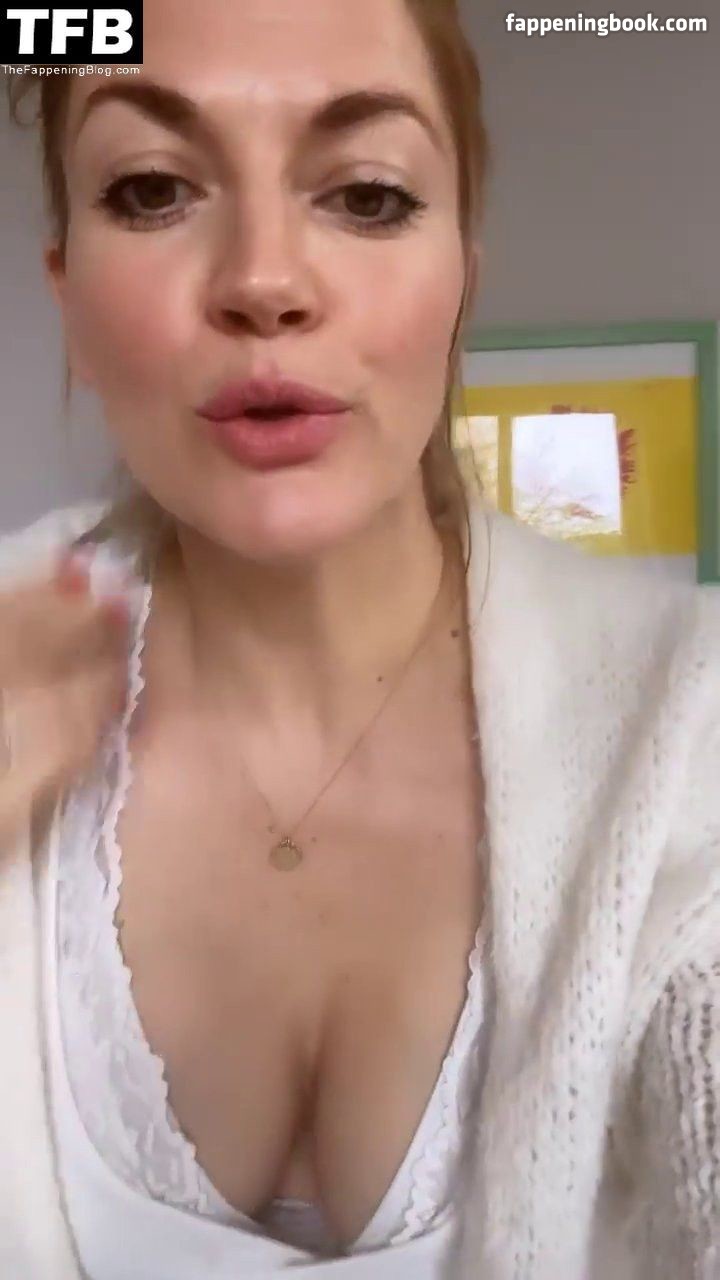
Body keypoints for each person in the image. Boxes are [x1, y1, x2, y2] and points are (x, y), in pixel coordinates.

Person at [1, 1, 719, 1277]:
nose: (264, 281)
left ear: (462, 278)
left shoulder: (687, 723)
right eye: (154, 189)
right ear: (68, 294)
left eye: (369, 195)